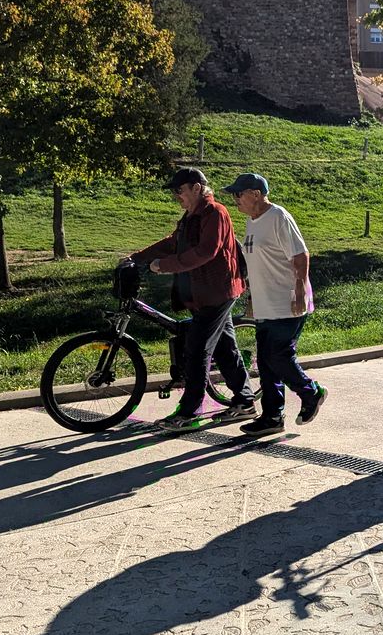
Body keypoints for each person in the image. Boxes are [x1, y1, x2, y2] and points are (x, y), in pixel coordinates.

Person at [132, 167, 257, 431]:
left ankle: (190, 412)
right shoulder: (191, 215)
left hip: (217, 292)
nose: (177, 196)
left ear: (197, 188)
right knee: (225, 349)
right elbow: (173, 242)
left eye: (180, 190)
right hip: (203, 294)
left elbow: (206, 252)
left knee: (197, 350)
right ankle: (245, 401)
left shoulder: (215, 213)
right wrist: (137, 257)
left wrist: (164, 266)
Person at [222, 172, 328, 437]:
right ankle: (272, 417)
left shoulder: (278, 217)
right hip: (265, 303)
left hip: (287, 301)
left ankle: (310, 392)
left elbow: (301, 255)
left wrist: (300, 291)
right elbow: (258, 265)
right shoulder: (252, 221)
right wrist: (251, 299)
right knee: (266, 363)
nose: (235, 200)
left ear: (255, 194)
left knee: (278, 355)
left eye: (238, 194)